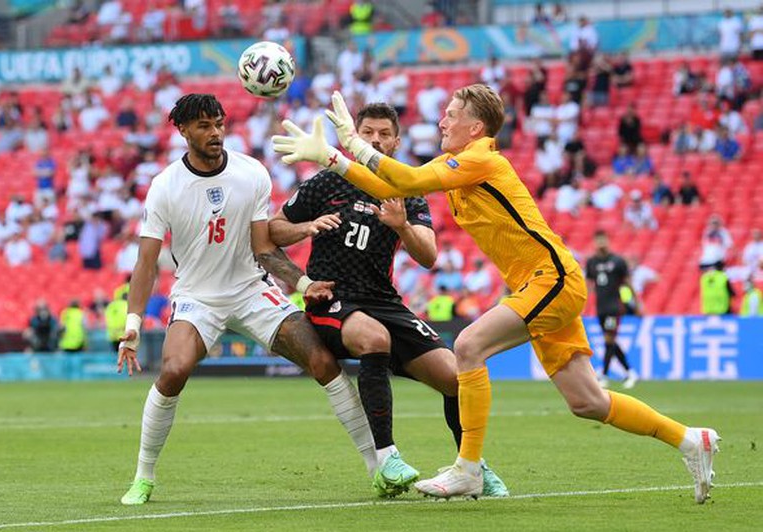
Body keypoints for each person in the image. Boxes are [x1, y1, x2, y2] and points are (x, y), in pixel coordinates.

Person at [272, 85, 719, 503]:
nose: (441, 122)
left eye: (451, 116)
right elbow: (391, 188)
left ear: (475, 128)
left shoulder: (481, 158)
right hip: (540, 285)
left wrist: (349, 145)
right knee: (588, 401)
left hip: (550, 278)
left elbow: (404, 182)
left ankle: (469, 468)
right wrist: (332, 158)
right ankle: (689, 439)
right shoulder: (459, 164)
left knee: (468, 346)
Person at [117, 94, 377, 506]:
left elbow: (264, 248)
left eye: (219, 123)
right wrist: (132, 325)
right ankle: (143, 477)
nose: (215, 132)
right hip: (197, 296)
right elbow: (146, 262)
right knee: (174, 370)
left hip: (252, 289)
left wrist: (302, 281)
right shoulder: (165, 186)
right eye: (204, 125)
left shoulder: (251, 172)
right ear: (183, 130)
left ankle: (378, 468)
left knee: (323, 362)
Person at [268, 103, 507, 498]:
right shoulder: (327, 181)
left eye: (384, 134)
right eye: (367, 133)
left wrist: (402, 227)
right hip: (332, 297)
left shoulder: (407, 188)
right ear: (355, 137)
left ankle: (472, 466)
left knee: (456, 379)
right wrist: (307, 227)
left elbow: (428, 255)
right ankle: (387, 460)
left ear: (396, 142)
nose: (375, 140)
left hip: (384, 301)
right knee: (374, 338)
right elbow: (274, 228)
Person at [586, 231, 639, 389]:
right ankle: (630, 372)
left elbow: (628, 283)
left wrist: (637, 303)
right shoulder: (591, 262)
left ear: (608, 241)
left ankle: (604, 375)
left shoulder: (618, 261)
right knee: (611, 341)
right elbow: (589, 285)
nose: (601, 243)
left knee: (609, 340)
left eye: (603, 239)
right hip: (600, 308)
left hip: (614, 307)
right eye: (598, 240)